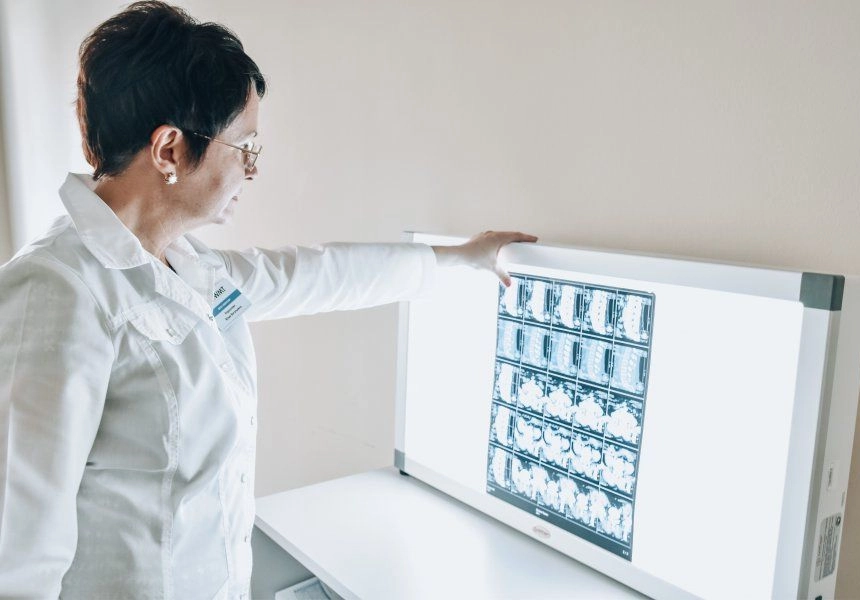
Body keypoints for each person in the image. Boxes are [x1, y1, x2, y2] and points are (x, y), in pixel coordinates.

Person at [0, 2, 535, 598]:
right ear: (169, 149)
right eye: (244, 147)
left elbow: (312, 274)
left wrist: (459, 259)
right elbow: (17, 553)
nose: (251, 170)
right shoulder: (55, 290)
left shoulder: (185, 265)